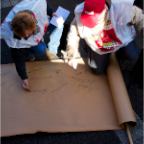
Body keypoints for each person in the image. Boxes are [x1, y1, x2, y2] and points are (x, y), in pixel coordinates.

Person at [0, 0, 63, 90]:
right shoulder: (14, 39)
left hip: (37, 21)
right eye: (24, 35)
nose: (26, 36)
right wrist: (24, 78)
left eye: (28, 33)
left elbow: (43, 5)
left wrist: (51, 12)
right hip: (17, 42)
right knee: (41, 49)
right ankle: (26, 51)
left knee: (58, 21)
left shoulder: (35, 4)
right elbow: (18, 59)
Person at [67, 0, 143, 74]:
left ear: (105, 11)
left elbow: (141, 18)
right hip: (99, 46)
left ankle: (118, 54)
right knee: (96, 70)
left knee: (134, 56)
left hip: (122, 39)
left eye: (96, 23)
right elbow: (73, 35)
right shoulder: (81, 12)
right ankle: (90, 48)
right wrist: (71, 55)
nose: (92, 28)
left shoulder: (122, 7)